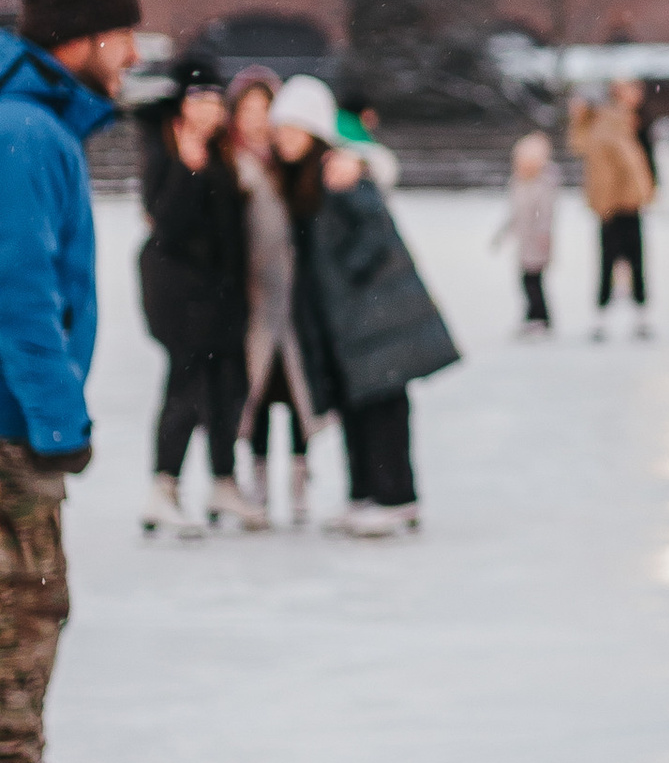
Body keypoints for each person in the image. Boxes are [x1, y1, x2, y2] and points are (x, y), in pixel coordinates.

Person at [0, 0, 141, 763]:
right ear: (82, 42)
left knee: (29, 595)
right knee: (26, 599)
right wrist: (56, 420)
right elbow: (19, 297)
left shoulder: (35, 124)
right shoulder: (25, 134)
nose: (132, 56)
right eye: (123, 38)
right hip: (11, 418)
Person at [265, 75, 460, 536]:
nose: (284, 140)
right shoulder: (302, 179)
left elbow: (374, 231)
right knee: (356, 404)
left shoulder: (340, 171)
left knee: (383, 406)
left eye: (293, 130)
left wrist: (344, 277)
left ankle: (397, 496)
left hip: (373, 314)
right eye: (280, 131)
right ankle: (366, 493)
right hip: (345, 319)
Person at [135, 57, 256, 536]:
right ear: (181, 105)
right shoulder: (167, 149)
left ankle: (223, 481)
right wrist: (188, 167)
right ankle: (162, 487)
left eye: (215, 100)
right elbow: (167, 226)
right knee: (186, 384)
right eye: (199, 99)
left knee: (226, 385)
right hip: (178, 292)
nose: (209, 110)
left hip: (221, 291)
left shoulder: (220, 151)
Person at [230, 72, 316, 527]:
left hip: (295, 299)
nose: (257, 121)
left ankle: (301, 478)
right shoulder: (232, 166)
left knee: (299, 392)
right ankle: (258, 479)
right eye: (247, 111)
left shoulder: (291, 163)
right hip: (253, 300)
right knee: (257, 394)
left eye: (265, 111)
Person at [576, 80, 656, 334]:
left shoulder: (628, 121)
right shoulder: (610, 122)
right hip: (617, 206)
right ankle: (605, 314)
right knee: (614, 259)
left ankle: (636, 313)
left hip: (628, 203)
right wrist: (607, 204)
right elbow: (605, 170)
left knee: (631, 260)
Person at [496, 129, 558, 331]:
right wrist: (502, 235)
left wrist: (543, 235)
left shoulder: (543, 185)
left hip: (537, 242)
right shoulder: (517, 184)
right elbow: (514, 214)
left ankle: (540, 317)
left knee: (534, 280)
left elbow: (545, 214)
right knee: (525, 280)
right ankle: (532, 315)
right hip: (524, 242)